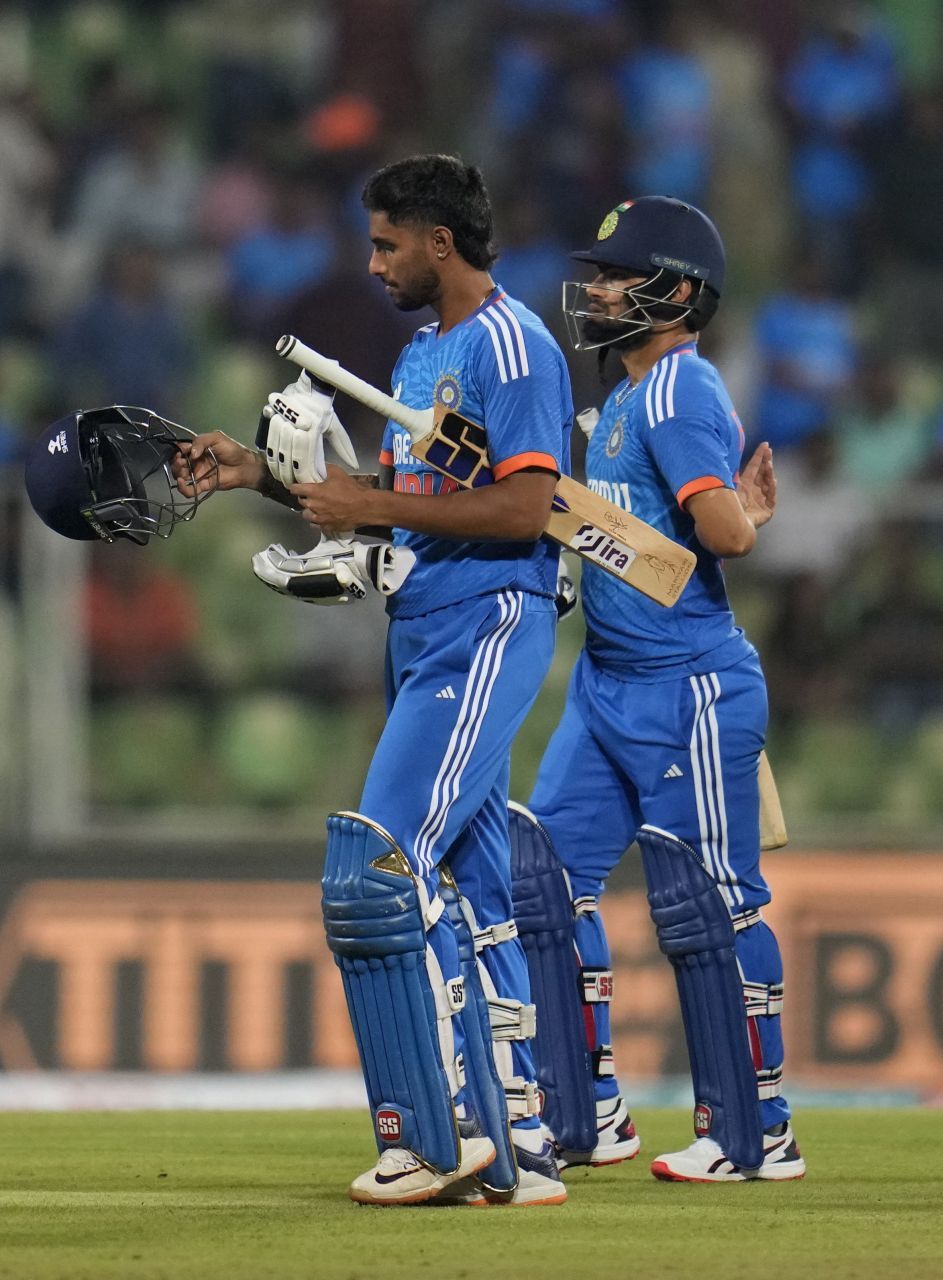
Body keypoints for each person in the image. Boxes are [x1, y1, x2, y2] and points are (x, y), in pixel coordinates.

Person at [168, 155, 571, 1207]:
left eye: (388, 242)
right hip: (424, 628)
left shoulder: (512, 344)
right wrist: (259, 472)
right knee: (477, 896)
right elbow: (387, 495)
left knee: (379, 866)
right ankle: (516, 1137)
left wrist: (376, 509)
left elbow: (528, 509)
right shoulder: (429, 347)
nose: (373, 260)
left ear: (441, 242)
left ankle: (437, 1136)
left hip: (483, 622)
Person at [507, 195, 802, 1183]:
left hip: (690, 685)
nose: (593, 289)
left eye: (614, 275)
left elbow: (719, 536)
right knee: (542, 881)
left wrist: (744, 514)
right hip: (606, 684)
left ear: (674, 292)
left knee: (710, 906)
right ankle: (584, 1112)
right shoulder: (628, 397)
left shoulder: (677, 389)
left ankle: (758, 1131)